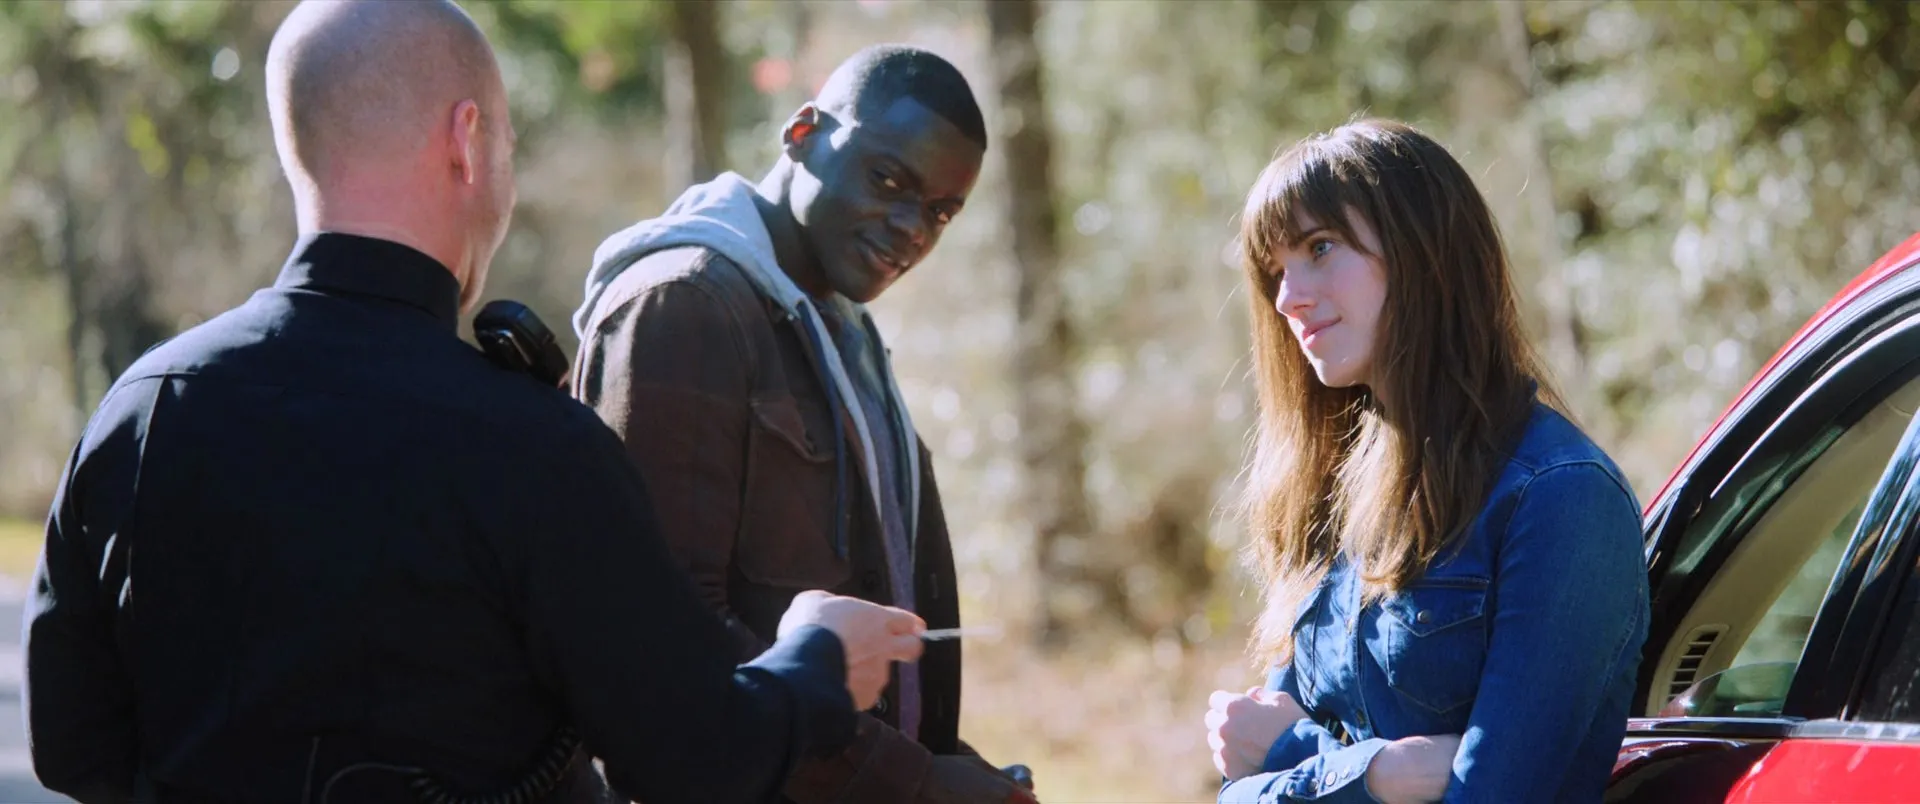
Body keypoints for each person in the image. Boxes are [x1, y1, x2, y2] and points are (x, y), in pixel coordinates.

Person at [23, 2, 927, 803]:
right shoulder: (538, 448)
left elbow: (70, 744)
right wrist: (816, 660)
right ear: (465, 141)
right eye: (507, 146)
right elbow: (692, 761)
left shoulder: (142, 410)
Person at [571, 45, 1034, 804]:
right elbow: (664, 643)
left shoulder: (844, 334)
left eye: (940, 211)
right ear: (802, 134)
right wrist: (915, 783)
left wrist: (951, 765)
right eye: (889, 180)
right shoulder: (688, 306)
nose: (914, 228)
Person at [1202, 119, 1649, 803]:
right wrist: (1391, 771)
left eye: (1320, 248)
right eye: (1276, 272)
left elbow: (1495, 796)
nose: (1288, 298)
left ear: (1423, 251)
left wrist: (1299, 754)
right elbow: (1238, 790)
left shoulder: (1561, 498)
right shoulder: (1333, 491)